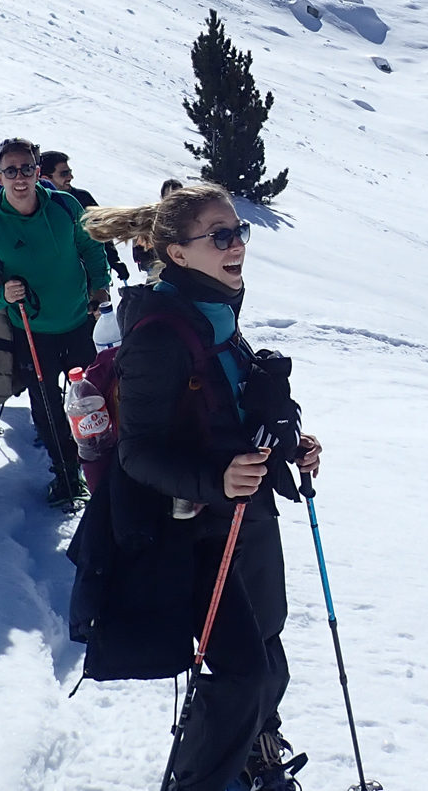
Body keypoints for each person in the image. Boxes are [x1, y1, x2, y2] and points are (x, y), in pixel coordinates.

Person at [83, 184, 320, 791]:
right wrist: (216, 478)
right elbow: (139, 452)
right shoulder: (161, 333)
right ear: (178, 254)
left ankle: (257, 749)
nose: (237, 244)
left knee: (267, 651)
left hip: (247, 515)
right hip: (192, 530)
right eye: (220, 235)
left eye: (239, 231)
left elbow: (225, 409)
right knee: (242, 671)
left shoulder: (215, 313)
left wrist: (291, 446)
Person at [0, 138, 114, 506]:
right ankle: (66, 475)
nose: (20, 178)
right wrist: (3, 295)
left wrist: (100, 289)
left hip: (81, 319)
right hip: (32, 330)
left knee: (95, 399)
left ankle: (103, 467)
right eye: (10, 170)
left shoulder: (65, 206)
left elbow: (92, 248)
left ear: (38, 170)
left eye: (27, 168)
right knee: (47, 405)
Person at [40, 150, 131, 341]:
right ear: (45, 177)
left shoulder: (82, 198)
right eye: (63, 173)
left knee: (98, 334)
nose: (70, 177)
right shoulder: (38, 207)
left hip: (92, 286)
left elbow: (101, 233)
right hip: (59, 290)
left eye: (69, 171)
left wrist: (114, 262)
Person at [131, 178, 186, 280]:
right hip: (156, 262)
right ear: (162, 197)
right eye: (170, 196)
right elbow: (140, 242)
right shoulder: (152, 216)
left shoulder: (187, 219)